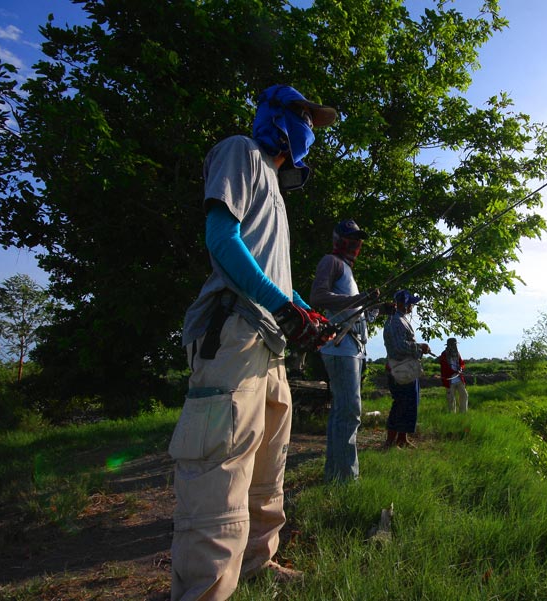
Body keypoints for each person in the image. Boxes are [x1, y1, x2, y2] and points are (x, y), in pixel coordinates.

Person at [168, 84, 337, 600]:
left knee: (267, 473)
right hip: (235, 335)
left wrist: (303, 311)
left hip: (271, 348)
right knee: (218, 480)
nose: (313, 128)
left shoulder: (278, 195)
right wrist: (285, 307)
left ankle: (260, 565)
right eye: (308, 116)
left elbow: (275, 278)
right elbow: (221, 238)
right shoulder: (241, 150)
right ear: (281, 116)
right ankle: (203, 591)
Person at [310, 219, 377, 482]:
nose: (355, 243)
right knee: (349, 410)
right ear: (338, 239)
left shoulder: (348, 270)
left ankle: (335, 475)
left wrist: (370, 305)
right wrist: (356, 300)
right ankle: (346, 479)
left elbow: (351, 306)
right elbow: (318, 297)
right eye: (350, 237)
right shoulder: (331, 261)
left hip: (353, 348)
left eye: (358, 238)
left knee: (344, 411)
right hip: (340, 348)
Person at [382, 289, 432, 448]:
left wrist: (418, 348)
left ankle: (402, 439)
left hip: (406, 368)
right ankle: (390, 441)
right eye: (410, 303)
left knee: (409, 404)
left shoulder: (400, 319)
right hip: (400, 368)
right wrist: (419, 347)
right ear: (403, 303)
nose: (412, 306)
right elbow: (398, 347)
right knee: (401, 404)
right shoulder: (396, 320)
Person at [439, 337, 468, 413]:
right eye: (453, 344)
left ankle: (463, 413)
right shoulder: (444, 354)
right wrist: (454, 372)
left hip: (459, 379)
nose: (454, 346)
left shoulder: (457, 353)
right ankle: (452, 414)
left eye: (455, 344)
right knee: (451, 399)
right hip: (450, 380)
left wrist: (461, 369)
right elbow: (444, 368)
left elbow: (461, 363)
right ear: (449, 345)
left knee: (464, 395)